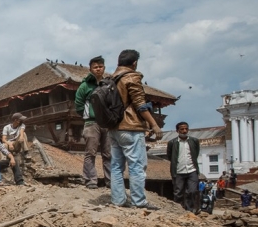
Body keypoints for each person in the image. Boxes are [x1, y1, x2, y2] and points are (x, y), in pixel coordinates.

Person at [107, 50, 163, 210]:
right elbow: (140, 104)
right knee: (136, 165)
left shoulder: (111, 78)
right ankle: (139, 201)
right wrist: (153, 124)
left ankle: (118, 200)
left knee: (117, 166)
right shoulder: (131, 77)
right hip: (130, 127)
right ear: (134, 63)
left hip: (113, 128)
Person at [74, 56, 111, 189]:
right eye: (95, 67)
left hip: (107, 123)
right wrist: (88, 115)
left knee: (108, 154)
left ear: (104, 68)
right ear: (90, 69)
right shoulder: (85, 85)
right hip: (91, 123)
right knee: (91, 152)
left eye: (100, 66)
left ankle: (111, 181)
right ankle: (90, 180)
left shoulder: (108, 84)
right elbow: (78, 104)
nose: (98, 69)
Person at [166, 122, 200, 214]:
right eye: (182, 129)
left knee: (192, 191)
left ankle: (190, 210)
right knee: (178, 192)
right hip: (178, 171)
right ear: (177, 131)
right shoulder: (172, 143)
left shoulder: (194, 141)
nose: (184, 131)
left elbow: (195, 154)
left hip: (192, 170)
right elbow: (169, 156)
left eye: (186, 129)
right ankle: (178, 211)